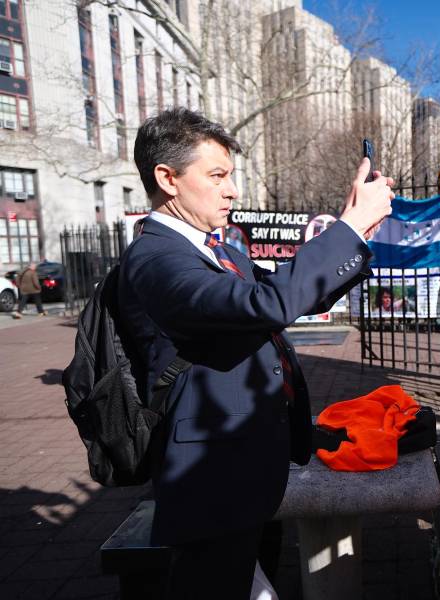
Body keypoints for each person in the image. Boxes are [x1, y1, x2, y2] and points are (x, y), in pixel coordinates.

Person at [118, 108, 393, 599]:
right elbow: (266, 303)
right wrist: (348, 226)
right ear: (168, 179)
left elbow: (282, 298)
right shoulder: (156, 256)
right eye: (217, 175)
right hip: (211, 479)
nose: (232, 190)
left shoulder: (215, 249)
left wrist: (356, 235)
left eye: (231, 176)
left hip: (247, 465)